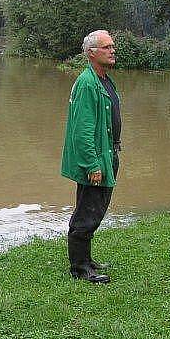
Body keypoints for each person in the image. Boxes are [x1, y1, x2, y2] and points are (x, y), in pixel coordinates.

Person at [61, 30, 121, 283]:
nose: (113, 50)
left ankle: (86, 260)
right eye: (106, 47)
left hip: (107, 154)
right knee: (88, 211)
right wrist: (91, 164)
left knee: (94, 208)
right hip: (96, 160)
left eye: (112, 46)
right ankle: (80, 268)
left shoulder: (103, 79)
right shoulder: (87, 83)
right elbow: (83, 130)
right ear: (92, 53)